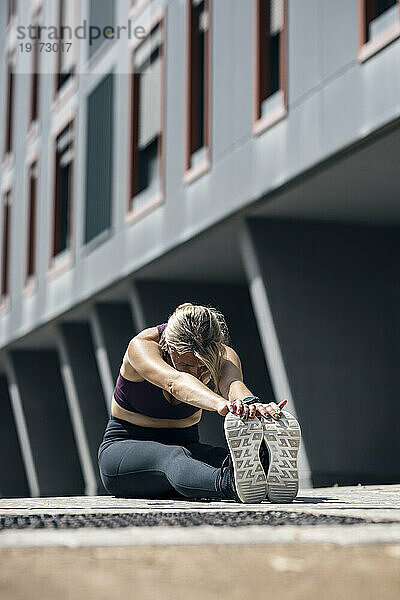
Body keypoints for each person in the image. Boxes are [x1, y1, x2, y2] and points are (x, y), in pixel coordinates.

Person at [97, 303, 301, 503]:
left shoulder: (222, 353)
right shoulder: (142, 346)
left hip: (187, 445)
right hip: (124, 449)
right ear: (168, 344)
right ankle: (230, 485)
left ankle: (265, 467)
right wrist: (223, 405)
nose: (195, 372)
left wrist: (252, 405)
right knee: (175, 457)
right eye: (186, 364)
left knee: (231, 461)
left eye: (203, 367)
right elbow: (175, 383)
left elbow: (233, 384)